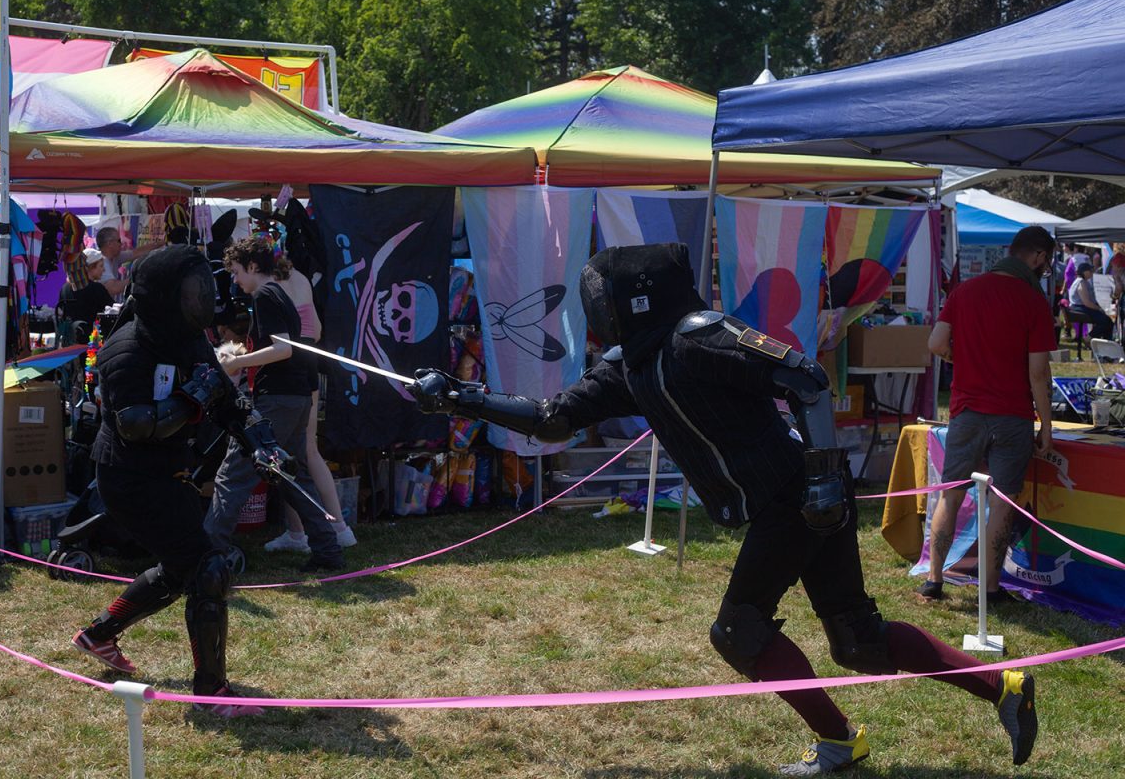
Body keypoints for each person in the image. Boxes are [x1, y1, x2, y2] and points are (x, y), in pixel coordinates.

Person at [411, 243, 1038, 775]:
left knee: (739, 628)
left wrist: (821, 479)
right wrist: (464, 400)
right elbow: (555, 420)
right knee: (857, 639)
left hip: (797, 493)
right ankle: (1003, 687)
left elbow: (805, 379)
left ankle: (841, 740)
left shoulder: (698, 335)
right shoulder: (631, 364)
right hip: (792, 498)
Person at [71, 245, 296, 717]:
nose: (203, 299)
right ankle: (211, 694)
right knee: (206, 568)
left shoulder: (189, 340)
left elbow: (227, 399)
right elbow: (135, 423)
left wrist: (263, 442)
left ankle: (97, 636)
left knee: (180, 569)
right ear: (164, 296)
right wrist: (191, 401)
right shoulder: (126, 349)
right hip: (129, 477)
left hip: (168, 471)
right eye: (192, 291)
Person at [922, 226, 1057, 606]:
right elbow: (1037, 373)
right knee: (1002, 501)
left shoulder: (965, 292)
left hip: (966, 410)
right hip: (1012, 415)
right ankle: (991, 589)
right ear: (1039, 257)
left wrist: (961, 359)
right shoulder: (1033, 301)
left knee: (951, 493)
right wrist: (1046, 426)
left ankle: (934, 581)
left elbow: (935, 344)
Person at [204, 237, 344, 572]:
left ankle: (206, 554)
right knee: (291, 477)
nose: (235, 280)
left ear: (253, 267)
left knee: (233, 472)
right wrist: (243, 355)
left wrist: (236, 364)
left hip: (278, 399)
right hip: (295, 396)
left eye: (236, 272)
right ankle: (327, 549)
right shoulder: (279, 293)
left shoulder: (265, 296)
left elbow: (283, 350)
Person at [263, 260, 358, 553]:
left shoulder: (266, 289)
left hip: (284, 376)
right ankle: (339, 528)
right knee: (307, 451)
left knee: (284, 456)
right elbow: (315, 330)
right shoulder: (301, 278)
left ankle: (298, 532)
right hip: (309, 369)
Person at [57, 248, 114, 333]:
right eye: (101, 266)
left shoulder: (64, 288)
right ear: (90, 267)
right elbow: (113, 312)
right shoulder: (97, 288)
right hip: (91, 339)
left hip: (69, 339)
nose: (104, 270)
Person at [1067, 261, 1114, 341]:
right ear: (1084, 272)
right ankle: (1088, 338)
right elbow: (1087, 303)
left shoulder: (1082, 281)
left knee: (1108, 320)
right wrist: (1099, 309)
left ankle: (1103, 342)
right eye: (1090, 270)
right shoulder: (1081, 282)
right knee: (1106, 320)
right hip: (1079, 308)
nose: (1092, 272)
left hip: (1080, 307)